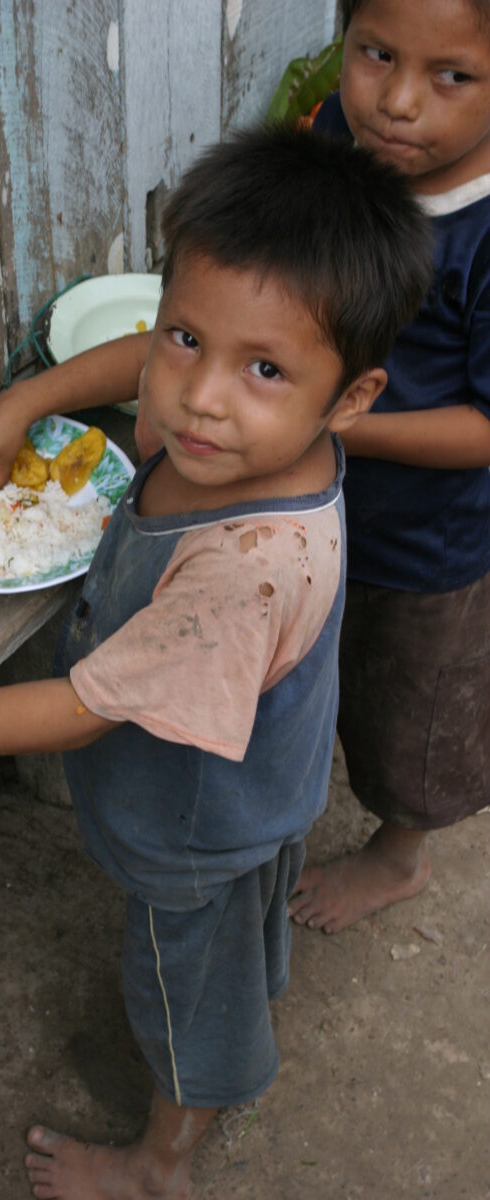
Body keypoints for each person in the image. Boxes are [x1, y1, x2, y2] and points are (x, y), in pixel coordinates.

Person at [0, 126, 431, 1200]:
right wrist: (28, 398)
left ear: (349, 398)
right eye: (183, 339)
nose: (198, 397)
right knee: (239, 930)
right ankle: (245, 989)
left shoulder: (244, 569)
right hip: (254, 789)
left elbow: (79, 709)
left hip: (193, 829)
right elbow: (148, 363)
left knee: (180, 990)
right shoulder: (246, 433)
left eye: (261, 368)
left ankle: (163, 1156)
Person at [286, 0, 490, 934]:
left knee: (414, 709)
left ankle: (398, 854)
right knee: (324, 661)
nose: (397, 103)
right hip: (318, 497)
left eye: (454, 75)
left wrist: (341, 426)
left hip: (428, 545)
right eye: (374, 54)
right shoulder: (339, 128)